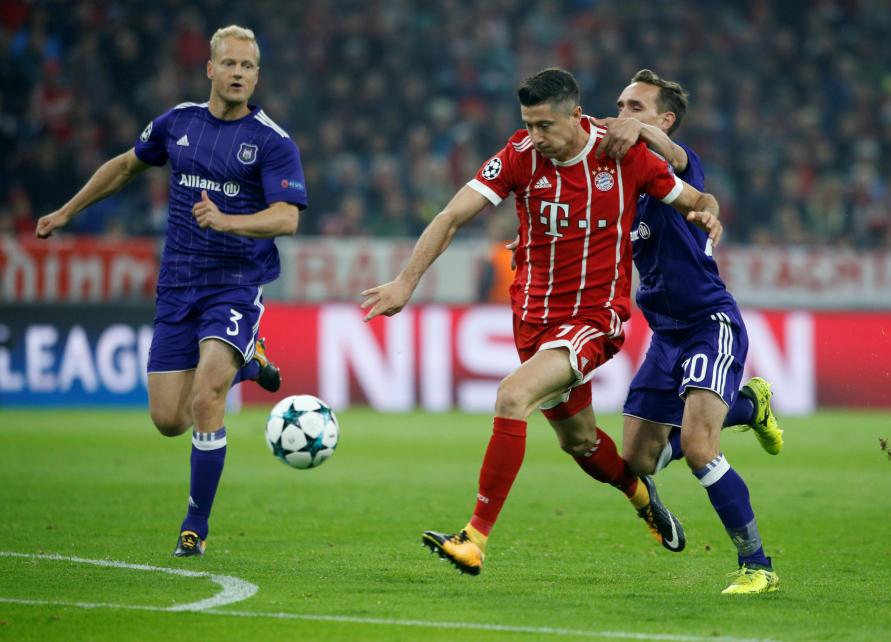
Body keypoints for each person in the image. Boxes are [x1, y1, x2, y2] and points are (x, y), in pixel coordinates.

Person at [361, 67, 723, 576]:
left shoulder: (622, 157)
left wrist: (708, 213)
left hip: (595, 318)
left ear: (575, 116)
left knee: (512, 396)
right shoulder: (520, 155)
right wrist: (405, 282)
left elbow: (694, 198)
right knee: (581, 443)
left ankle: (473, 538)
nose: (536, 137)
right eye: (528, 124)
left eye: (545, 126)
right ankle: (642, 495)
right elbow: (451, 217)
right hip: (532, 321)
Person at [35, 25, 308, 557]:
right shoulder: (177, 123)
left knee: (207, 396)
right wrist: (68, 210)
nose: (237, 74)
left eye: (247, 67)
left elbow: (287, 219)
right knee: (168, 419)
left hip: (234, 286)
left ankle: (194, 527)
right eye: (229, 64)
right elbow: (124, 167)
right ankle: (250, 362)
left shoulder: (273, 142)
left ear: (257, 75)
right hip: (178, 285)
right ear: (209, 69)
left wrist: (228, 222)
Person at [591, 69, 783, 594]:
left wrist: (640, 133)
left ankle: (756, 566)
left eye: (635, 107)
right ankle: (749, 405)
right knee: (635, 463)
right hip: (664, 336)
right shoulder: (628, 185)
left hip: (709, 324)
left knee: (699, 447)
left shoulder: (679, 163)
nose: (623, 115)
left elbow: (680, 166)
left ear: (664, 119)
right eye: (620, 106)